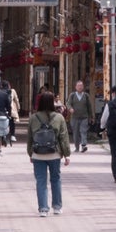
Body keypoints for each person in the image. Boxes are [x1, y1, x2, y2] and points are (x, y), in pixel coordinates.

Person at [27, 87, 71, 217]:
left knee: (41, 181)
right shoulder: (59, 117)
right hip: (54, 154)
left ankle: (43, 209)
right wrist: (67, 154)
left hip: (38, 154)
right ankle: (57, 207)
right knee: (55, 180)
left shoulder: (33, 118)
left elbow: (30, 138)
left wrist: (30, 153)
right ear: (53, 102)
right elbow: (63, 137)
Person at [66, 79, 92, 153]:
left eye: (81, 85)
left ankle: (83, 145)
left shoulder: (86, 95)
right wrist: (70, 108)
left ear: (83, 87)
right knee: (76, 133)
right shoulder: (72, 95)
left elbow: (89, 107)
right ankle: (77, 147)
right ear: (76, 87)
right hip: (75, 117)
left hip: (84, 117)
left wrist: (91, 116)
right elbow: (68, 103)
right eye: (78, 86)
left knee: (83, 131)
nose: (80, 87)